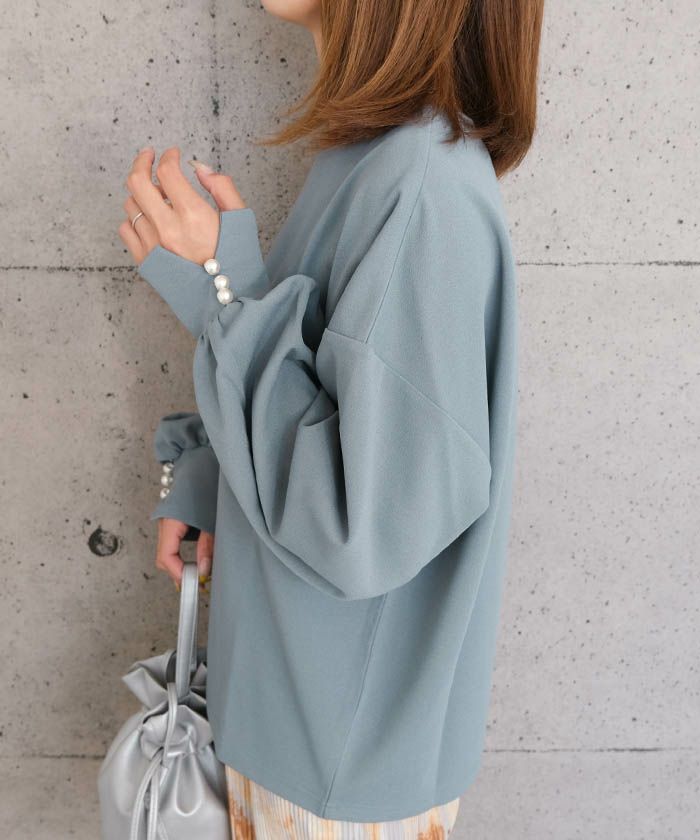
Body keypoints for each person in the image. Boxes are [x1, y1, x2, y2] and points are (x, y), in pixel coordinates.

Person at [118, 0, 543, 836]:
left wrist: (218, 289)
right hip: (298, 726)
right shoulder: (374, 160)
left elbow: (364, 526)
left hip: (333, 775)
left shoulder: (421, 187)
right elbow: (344, 408)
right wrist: (211, 480)